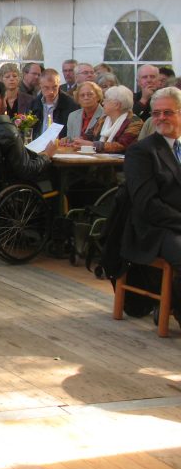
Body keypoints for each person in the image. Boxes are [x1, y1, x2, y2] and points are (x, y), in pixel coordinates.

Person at [121, 88, 181, 310]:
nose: (161, 118)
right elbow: (147, 205)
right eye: (156, 113)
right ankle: (175, 307)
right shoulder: (141, 152)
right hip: (155, 229)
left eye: (168, 112)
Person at [79, 85, 142, 153]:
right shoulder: (103, 119)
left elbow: (122, 146)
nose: (103, 103)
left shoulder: (134, 122)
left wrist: (93, 145)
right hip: (99, 160)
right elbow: (88, 137)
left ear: (116, 105)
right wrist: (74, 141)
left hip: (120, 162)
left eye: (106, 100)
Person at [29, 68, 79, 135]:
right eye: (46, 88)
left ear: (59, 84)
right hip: (36, 142)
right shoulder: (33, 104)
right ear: (40, 85)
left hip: (59, 143)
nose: (51, 92)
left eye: (54, 87)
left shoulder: (71, 104)